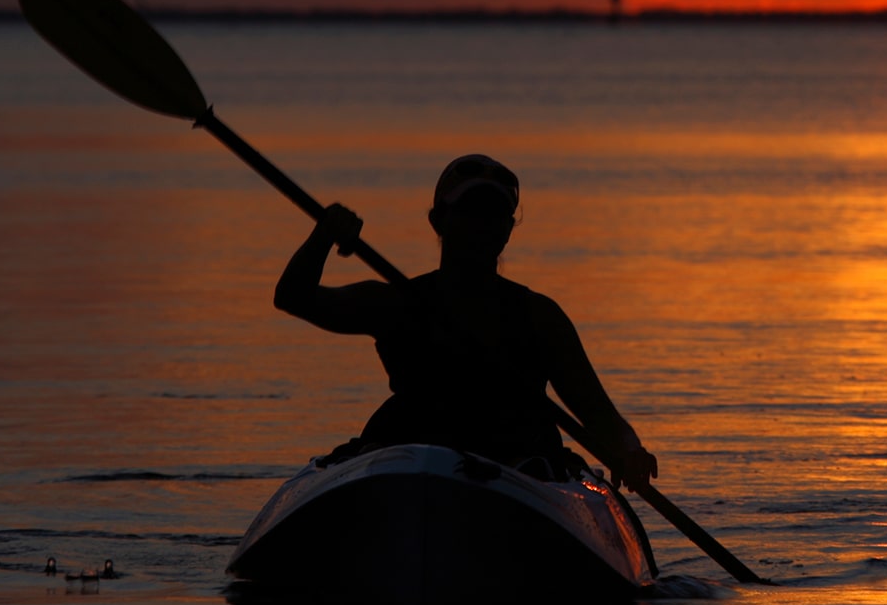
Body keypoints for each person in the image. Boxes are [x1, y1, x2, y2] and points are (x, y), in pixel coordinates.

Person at [273, 153, 657, 487]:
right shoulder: (398, 302)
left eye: (494, 215)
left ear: (508, 229)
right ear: (438, 220)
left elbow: (599, 414)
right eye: (471, 212)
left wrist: (629, 450)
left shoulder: (540, 317)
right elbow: (294, 297)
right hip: (411, 456)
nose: (482, 225)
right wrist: (323, 236)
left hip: (521, 466)